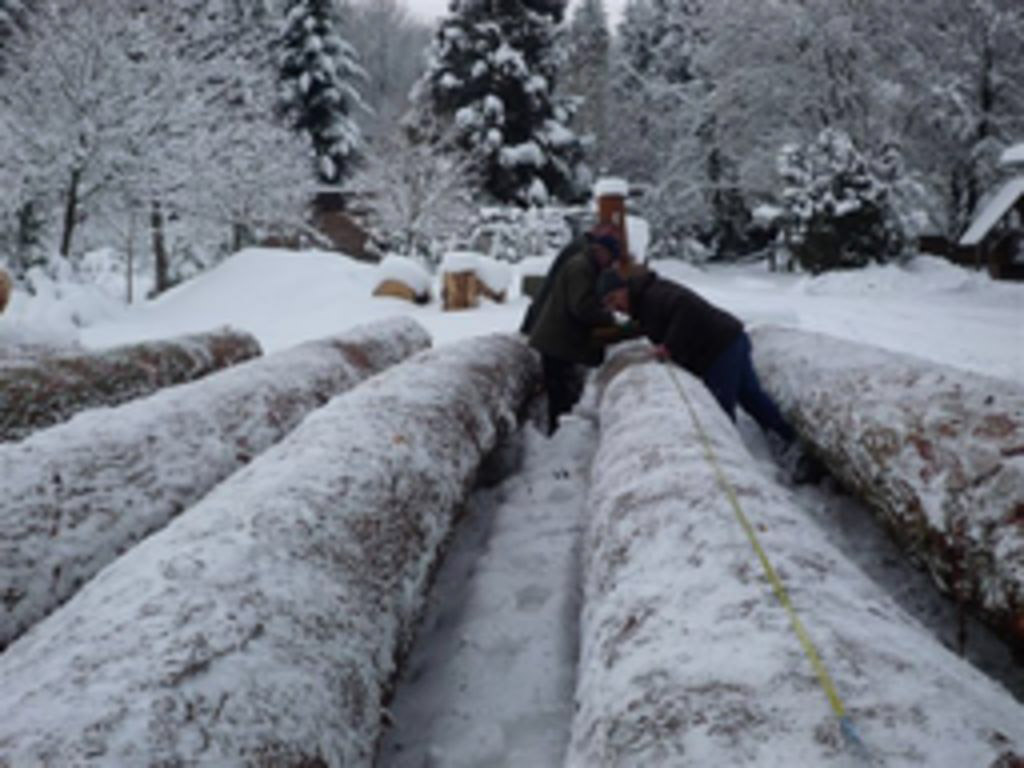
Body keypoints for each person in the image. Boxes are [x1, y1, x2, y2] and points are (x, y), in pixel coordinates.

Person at [598, 266, 797, 448]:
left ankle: (729, 453)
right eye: (608, 304)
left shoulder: (653, 296)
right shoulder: (643, 301)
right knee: (750, 396)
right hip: (730, 340)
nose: (615, 306)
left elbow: (685, 307)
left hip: (720, 348)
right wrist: (607, 337)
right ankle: (787, 438)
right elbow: (643, 326)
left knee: (720, 410)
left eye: (614, 298)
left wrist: (669, 345)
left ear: (624, 289)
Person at [523, 224, 626, 435]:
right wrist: (610, 319)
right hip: (557, 343)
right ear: (601, 251)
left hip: (559, 341)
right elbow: (581, 307)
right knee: (561, 395)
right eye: (611, 258)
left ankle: (561, 435)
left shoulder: (585, 264)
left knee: (564, 392)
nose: (610, 264)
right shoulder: (581, 267)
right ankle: (559, 439)